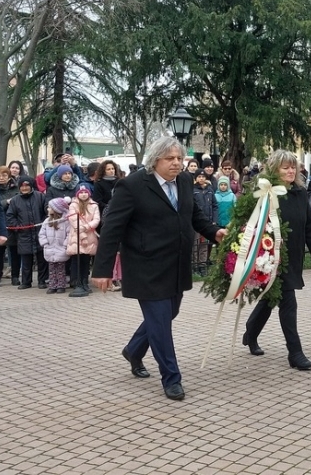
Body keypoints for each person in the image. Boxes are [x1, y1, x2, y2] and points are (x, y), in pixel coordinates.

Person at [91, 137, 225, 402]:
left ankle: (134, 350)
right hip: (146, 266)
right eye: (170, 159)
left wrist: (215, 232)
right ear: (155, 160)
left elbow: (194, 216)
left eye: (179, 158)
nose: (176, 163)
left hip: (176, 264)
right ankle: (171, 378)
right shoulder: (131, 186)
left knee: (169, 312)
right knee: (161, 323)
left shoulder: (185, 181)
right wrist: (102, 269)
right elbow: (112, 229)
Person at [242, 149, 311, 370]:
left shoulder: (299, 192)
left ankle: (251, 332)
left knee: (270, 299)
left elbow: (308, 225)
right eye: (285, 167)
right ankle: (295, 353)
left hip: (292, 256)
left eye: (292, 167)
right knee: (288, 302)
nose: (290, 170)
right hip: (270, 257)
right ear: (274, 170)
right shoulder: (265, 192)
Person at [6, 176, 46, 289]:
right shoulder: (15, 200)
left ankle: (42, 281)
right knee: (26, 260)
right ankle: (26, 282)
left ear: (31, 186)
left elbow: (46, 212)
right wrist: (18, 227)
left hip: (39, 233)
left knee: (41, 259)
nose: (24, 188)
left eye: (27, 185)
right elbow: (10, 216)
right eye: (22, 186)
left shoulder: (40, 196)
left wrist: (43, 224)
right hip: (23, 235)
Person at [66, 185, 100, 297]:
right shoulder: (73, 205)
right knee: (76, 260)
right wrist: (82, 230)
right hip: (76, 236)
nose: (83, 194)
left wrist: (86, 227)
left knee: (86, 260)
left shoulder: (94, 205)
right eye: (81, 192)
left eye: (85, 192)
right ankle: (76, 282)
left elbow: (96, 219)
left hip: (90, 235)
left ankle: (85, 281)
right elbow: (73, 219)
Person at [0, 166, 20, 286]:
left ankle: (15, 276)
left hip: (13, 223)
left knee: (14, 251)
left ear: (9, 177)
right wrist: (6, 202)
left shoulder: (16, 188)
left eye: (4, 176)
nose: (1, 178)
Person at [38, 196, 71, 294]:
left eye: (50, 207)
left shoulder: (65, 221)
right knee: (51, 269)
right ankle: (52, 285)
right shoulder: (46, 221)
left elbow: (69, 234)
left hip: (61, 249)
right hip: (50, 248)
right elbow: (42, 233)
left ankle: (61, 285)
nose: (48, 209)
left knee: (61, 269)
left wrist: (65, 245)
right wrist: (45, 243)